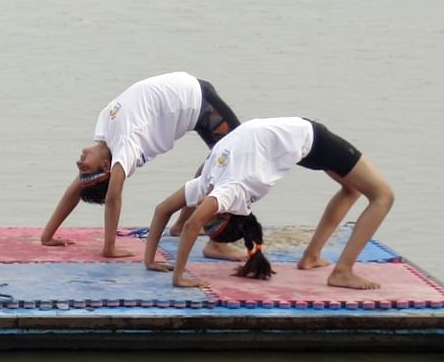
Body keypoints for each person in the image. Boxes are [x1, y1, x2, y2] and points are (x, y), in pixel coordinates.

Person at [141, 117, 394, 289]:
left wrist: (152, 261)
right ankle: (342, 272)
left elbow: (162, 210)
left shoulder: (207, 183)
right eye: (213, 218)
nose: (204, 213)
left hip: (294, 140)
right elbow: (191, 224)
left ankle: (312, 256)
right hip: (310, 138)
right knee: (383, 196)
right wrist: (179, 277)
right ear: (227, 214)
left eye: (209, 220)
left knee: (351, 189)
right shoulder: (230, 192)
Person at [40, 71, 243, 259]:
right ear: (104, 165)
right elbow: (113, 196)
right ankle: (216, 243)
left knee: (220, 161)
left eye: (80, 167)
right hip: (199, 102)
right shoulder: (124, 145)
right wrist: (109, 247)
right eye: (84, 167)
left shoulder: (105, 133)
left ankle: (182, 225)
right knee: (236, 158)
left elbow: (76, 189)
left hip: (193, 97)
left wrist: (47, 235)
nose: (79, 161)